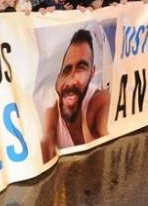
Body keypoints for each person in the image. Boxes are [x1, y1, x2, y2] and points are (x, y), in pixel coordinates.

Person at [40, 29, 110, 163]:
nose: (71, 79)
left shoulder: (101, 100)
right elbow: (45, 156)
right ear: (58, 78)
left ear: (92, 72)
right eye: (66, 70)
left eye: (81, 68)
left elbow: (103, 158)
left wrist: (82, 118)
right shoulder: (52, 113)